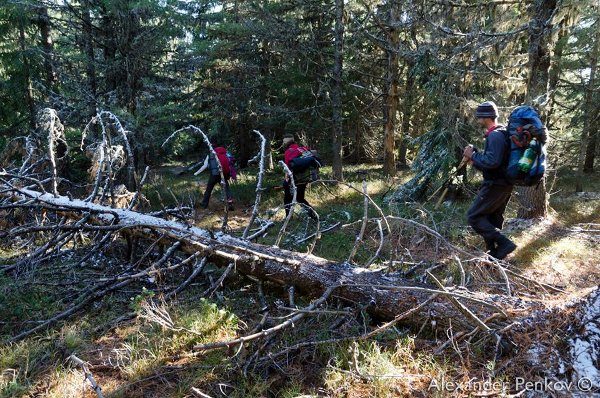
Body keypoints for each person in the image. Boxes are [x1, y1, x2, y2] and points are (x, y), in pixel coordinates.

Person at [463, 101, 517, 260]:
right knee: (492, 218)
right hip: (503, 183)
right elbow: (493, 163)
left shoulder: (495, 135)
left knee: (474, 216)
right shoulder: (501, 133)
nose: (477, 119)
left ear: (486, 117)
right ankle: (494, 254)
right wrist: (473, 160)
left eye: (479, 116)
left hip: (495, 184)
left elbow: (492, 162)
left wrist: (473, 155)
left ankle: (505, 244)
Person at [282, 133, 317, 219]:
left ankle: (288, 217)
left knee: (287, 198)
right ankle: (314, 215)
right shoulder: (303, 148)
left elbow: (288, 167)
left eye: (284, 141)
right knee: (300, 198)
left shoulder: (288, 151)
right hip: (305, 177)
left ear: (286, 142)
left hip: (294, 178)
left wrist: (286, 180)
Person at [195, 145, 235, 210]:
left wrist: (196, 173)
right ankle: (230, 203)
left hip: (214, 175)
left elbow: (205, 166)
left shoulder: (211, 155)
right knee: (226, 188)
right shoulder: (225, 153)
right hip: (223, 174)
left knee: (209, 189)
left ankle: (204, 204)